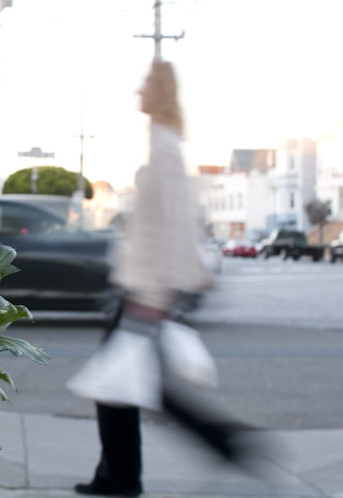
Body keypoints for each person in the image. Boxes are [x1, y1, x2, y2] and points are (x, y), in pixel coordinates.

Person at [73, 60, 240, 497]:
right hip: (140, 285)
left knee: (125, 387)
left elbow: (174, 229)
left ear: (161, 90)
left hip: (145, 290)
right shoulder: (161, 141)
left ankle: (222, 443)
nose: (139, 91)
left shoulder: (165, 145)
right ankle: (117, 476)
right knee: (121, 385)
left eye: (146, 84)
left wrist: (152, 296)